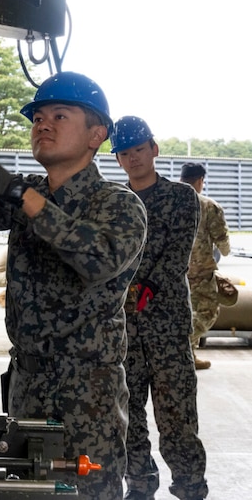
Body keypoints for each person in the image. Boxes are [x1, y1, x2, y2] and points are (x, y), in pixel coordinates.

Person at [0, 71, 147, 499]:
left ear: (97, 135)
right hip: (27, 385)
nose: (43, 124)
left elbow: (98, 258)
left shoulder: (117, 204)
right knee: (27, 489)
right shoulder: (30, 194)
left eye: (59, 115)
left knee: (87, 492)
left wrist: (23, 196)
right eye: (37, 117)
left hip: (87, 398)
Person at [110, 117, 208, 500]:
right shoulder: (115, 201)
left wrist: (142, 288)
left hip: (166, 326)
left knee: (178, 418)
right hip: (124, 330)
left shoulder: (182, 196)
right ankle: (139, 485)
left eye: (139, 149)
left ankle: (190, 487)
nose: (133, 158)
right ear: (118, 159)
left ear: (154, 149)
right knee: (129, 417)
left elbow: (176, 255)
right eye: (124, 152)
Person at [179, 162, 232, 369]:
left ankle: (189, 355)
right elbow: (222, 240)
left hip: (171, 271)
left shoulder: (169, 201)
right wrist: (225, 250)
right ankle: (182, 345)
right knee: (208, 312)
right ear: (200, 180)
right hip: (201, 272)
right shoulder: (209, 206)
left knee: (184, 311)